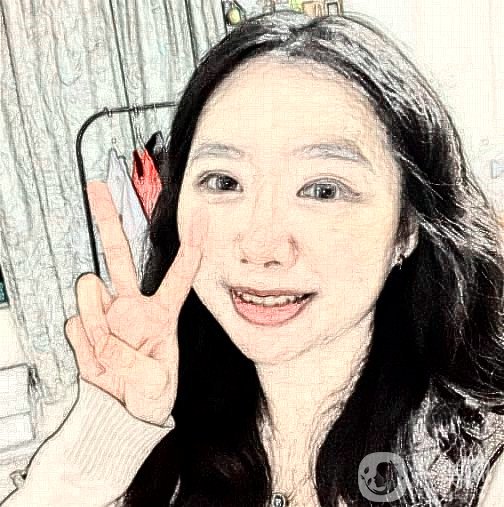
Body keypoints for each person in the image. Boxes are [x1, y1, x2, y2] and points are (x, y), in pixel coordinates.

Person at [2, 10, 504, 507]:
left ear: (406, 228)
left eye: (324, 189)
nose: (261, 247)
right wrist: (83, 469)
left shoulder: (480, 469)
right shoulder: (153, 431)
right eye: (223, 181)